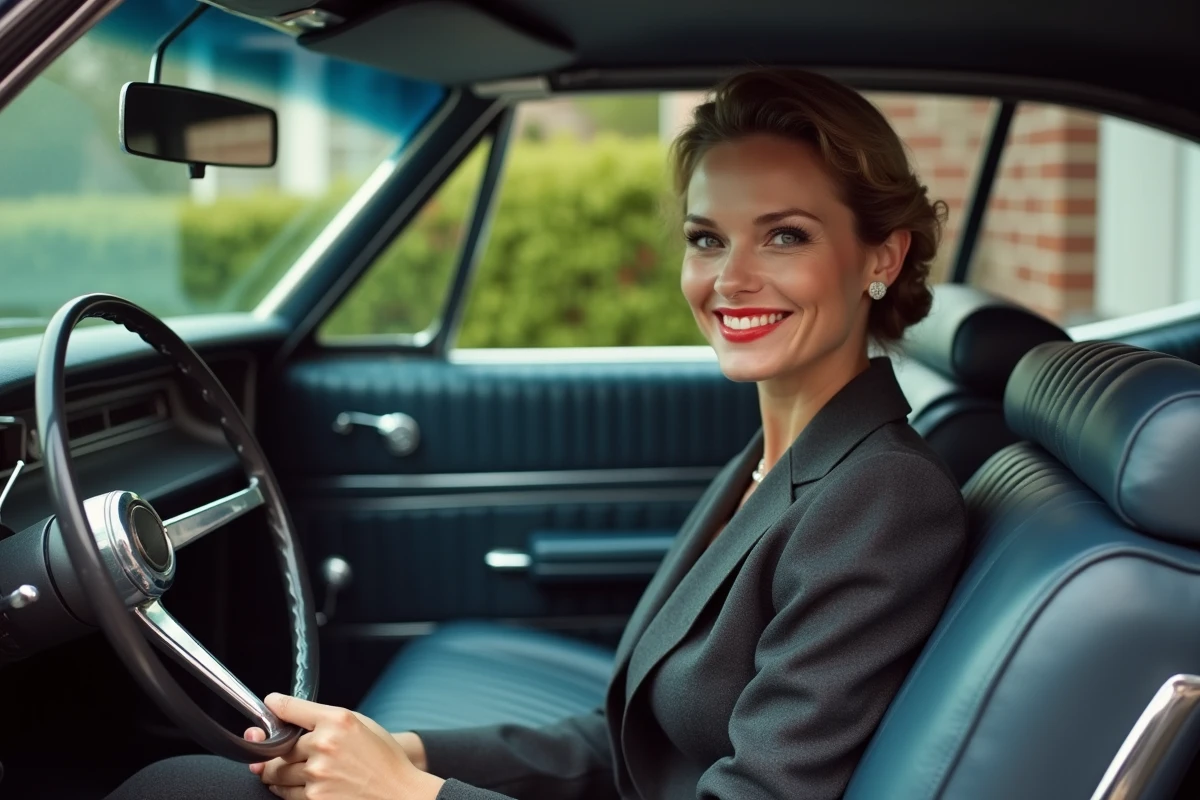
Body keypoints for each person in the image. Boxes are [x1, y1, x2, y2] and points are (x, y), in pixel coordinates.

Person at [108, 67, 966, 800]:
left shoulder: (883, 496)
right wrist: (412, 751)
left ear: (880, 259)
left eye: (785, 235)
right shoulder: (779, 454)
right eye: (707, 239)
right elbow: (624, 746)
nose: (731, 279)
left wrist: (413, 794)